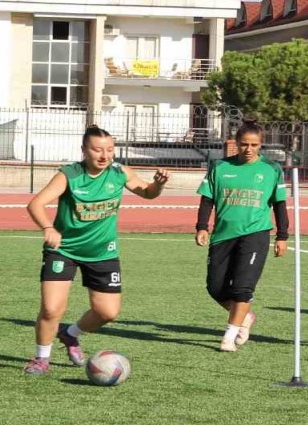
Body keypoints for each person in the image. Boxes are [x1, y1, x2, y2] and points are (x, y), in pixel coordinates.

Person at [23, 126, 170, 375]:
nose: (104, 155)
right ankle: (41, 359)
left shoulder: (119, 173)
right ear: (84, 150)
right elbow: (35, 204)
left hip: (103, 252)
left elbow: (148, 193)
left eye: (110, 150)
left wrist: (158, 185)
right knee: (51, 309)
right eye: (97, 149)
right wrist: (48, 227)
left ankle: (70, 334)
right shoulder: (69, 174)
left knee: (107, 312)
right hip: (64, 250)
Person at [195, 121, 289, 352]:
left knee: (242, 288)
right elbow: (207, 199)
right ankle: (245, 318)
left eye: (254, 145)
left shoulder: (272, 169)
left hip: (255, 234)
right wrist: (202, 226)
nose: (248, 149)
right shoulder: (219, 166)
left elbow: (279, 205)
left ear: (261, 145)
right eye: (244, 144)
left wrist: (282, 236)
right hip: (223, 235)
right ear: (236, 143)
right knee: (215, 287)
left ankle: (229, 335)